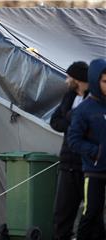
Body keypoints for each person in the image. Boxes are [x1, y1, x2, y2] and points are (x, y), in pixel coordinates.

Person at [68, 58, 106, 240]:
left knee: (100, 217)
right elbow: (73, 140)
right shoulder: (84, 109)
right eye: (105, 81)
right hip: (95, 171)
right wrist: (96, 152)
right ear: (95, 81)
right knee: (91, 212)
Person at [50, 61, 89, 240]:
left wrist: (72, 121)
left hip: (88, 164)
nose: (66, 81)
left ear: (78, 79)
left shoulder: (94, 99)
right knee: (62, 210)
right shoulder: (69, 97)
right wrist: (73, 123)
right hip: (67, 161)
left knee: (91, 213)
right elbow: (55, 121)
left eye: (69, 77)